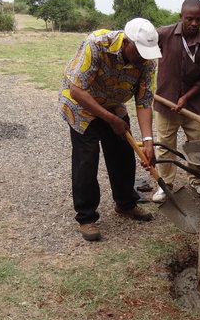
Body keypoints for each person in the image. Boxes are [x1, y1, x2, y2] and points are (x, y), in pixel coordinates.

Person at [58, 18, 162, 242]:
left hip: (113, 104)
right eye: (140, 52)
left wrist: (148, 141)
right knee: (87, 160)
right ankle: (86, 216)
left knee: (123, 156)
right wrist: (110, 119)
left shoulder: (147, 61)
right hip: (81, 106)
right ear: (127, 42)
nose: (144, 57)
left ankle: (125, 204)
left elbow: (144, 101)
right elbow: (77, 90)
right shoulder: (96, 44)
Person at [151, 0, 200, 202]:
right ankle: (165, 184)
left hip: (195, 107)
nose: (194, 23)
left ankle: (197, 181)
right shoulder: (163, 35)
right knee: (164, 146)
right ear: (181, 17)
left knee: (198, 146)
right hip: (165, 104)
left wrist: (185, 97)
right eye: (190, 19)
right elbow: (142, 50)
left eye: (199, 19)